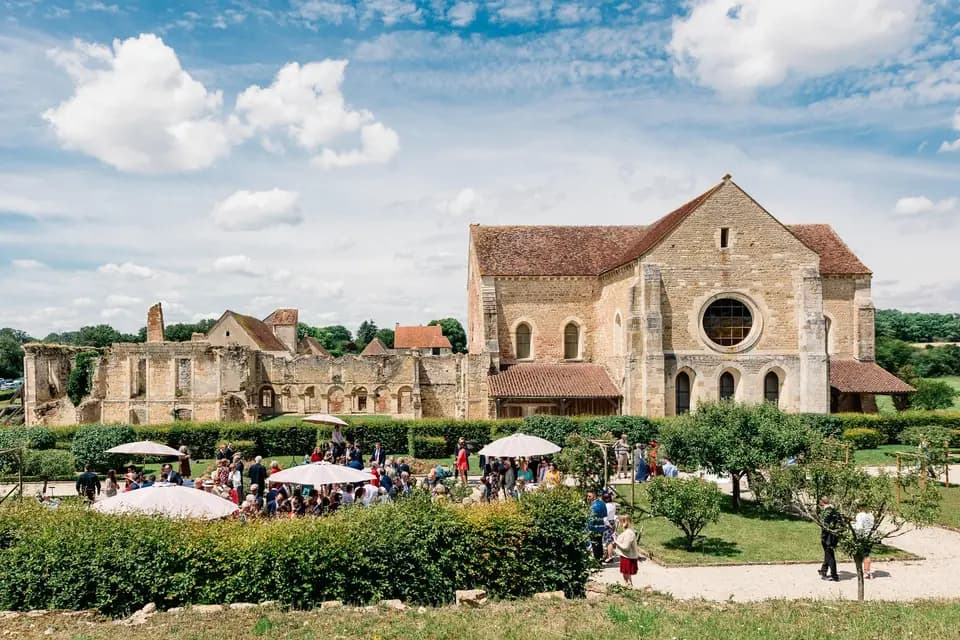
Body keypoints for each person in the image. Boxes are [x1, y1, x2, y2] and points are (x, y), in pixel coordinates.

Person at [613, 515, 641, 586]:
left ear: (624, 522)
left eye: (619, 522)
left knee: (626, 576)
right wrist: (618, 537)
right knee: (626, 575)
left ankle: (628, 586)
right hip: (626, 556)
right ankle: (628, 586)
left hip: (628, 557)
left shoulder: (629, 533)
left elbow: (626, 547)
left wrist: (616, 541)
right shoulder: (627, 532)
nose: (618, 524)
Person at [818, 497, 840, 582]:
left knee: (830, 556)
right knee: (828, 554)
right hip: (833, 537)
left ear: (822, 502)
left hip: (828, 538)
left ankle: (834, 575)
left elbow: (825, 526)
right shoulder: (834, 511)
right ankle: (823, 570)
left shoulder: (827, 512)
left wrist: (823, 537)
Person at [853, 505, 876, 579]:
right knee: (867, 553)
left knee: (863, 554)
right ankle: (867, 570)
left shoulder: (860, 515)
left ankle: (866, 572)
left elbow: (859, 527)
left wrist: (852, 527)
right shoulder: (871, 515)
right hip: (870, 536)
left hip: (863, 536)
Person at [587, 490, 607, 561]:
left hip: (594, 527)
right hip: (601, 526)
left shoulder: (593, 506)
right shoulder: (602, 503)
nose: (588, 498)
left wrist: (589, 528)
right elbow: (605, 514)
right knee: (600, 544)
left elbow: (591, 519)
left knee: (595, 545)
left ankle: (597, 560)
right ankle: (600, 559)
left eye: (589, 496)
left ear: (594, 495)